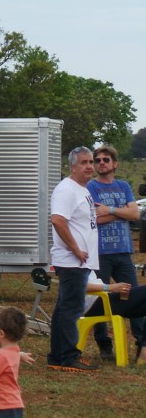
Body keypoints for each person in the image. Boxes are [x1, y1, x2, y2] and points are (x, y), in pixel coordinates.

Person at [87, 145, 144, 361]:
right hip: (100, 253)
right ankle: (104, 346)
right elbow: (95, 219)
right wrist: (123, 213)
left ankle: (141, 343)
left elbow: (135, 213)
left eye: (106, 160)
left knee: (135, 297)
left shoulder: (123, 186)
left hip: (123, 253)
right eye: (98, 160)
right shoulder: (91, 188)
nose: (101, 163)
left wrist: (111, 210)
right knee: (102, 299)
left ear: (115, 164)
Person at [48, 146, 100, 372]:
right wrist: (76, 249)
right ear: (72, 166)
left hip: (78, 261)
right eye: (84, 162)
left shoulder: (82, 189)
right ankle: (68, 357)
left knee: (64, 308)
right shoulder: (66, 189)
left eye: (91, 161)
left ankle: (57, 356)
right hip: (71, 260)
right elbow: (58, 220)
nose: (90, 166)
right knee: (72, 309)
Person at [84, 272, 146, 364]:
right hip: (94, 301)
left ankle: (143, 352)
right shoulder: (71, 262)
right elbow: (74, 285)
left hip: (102, 296)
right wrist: (109, 287)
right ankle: (144, 353)